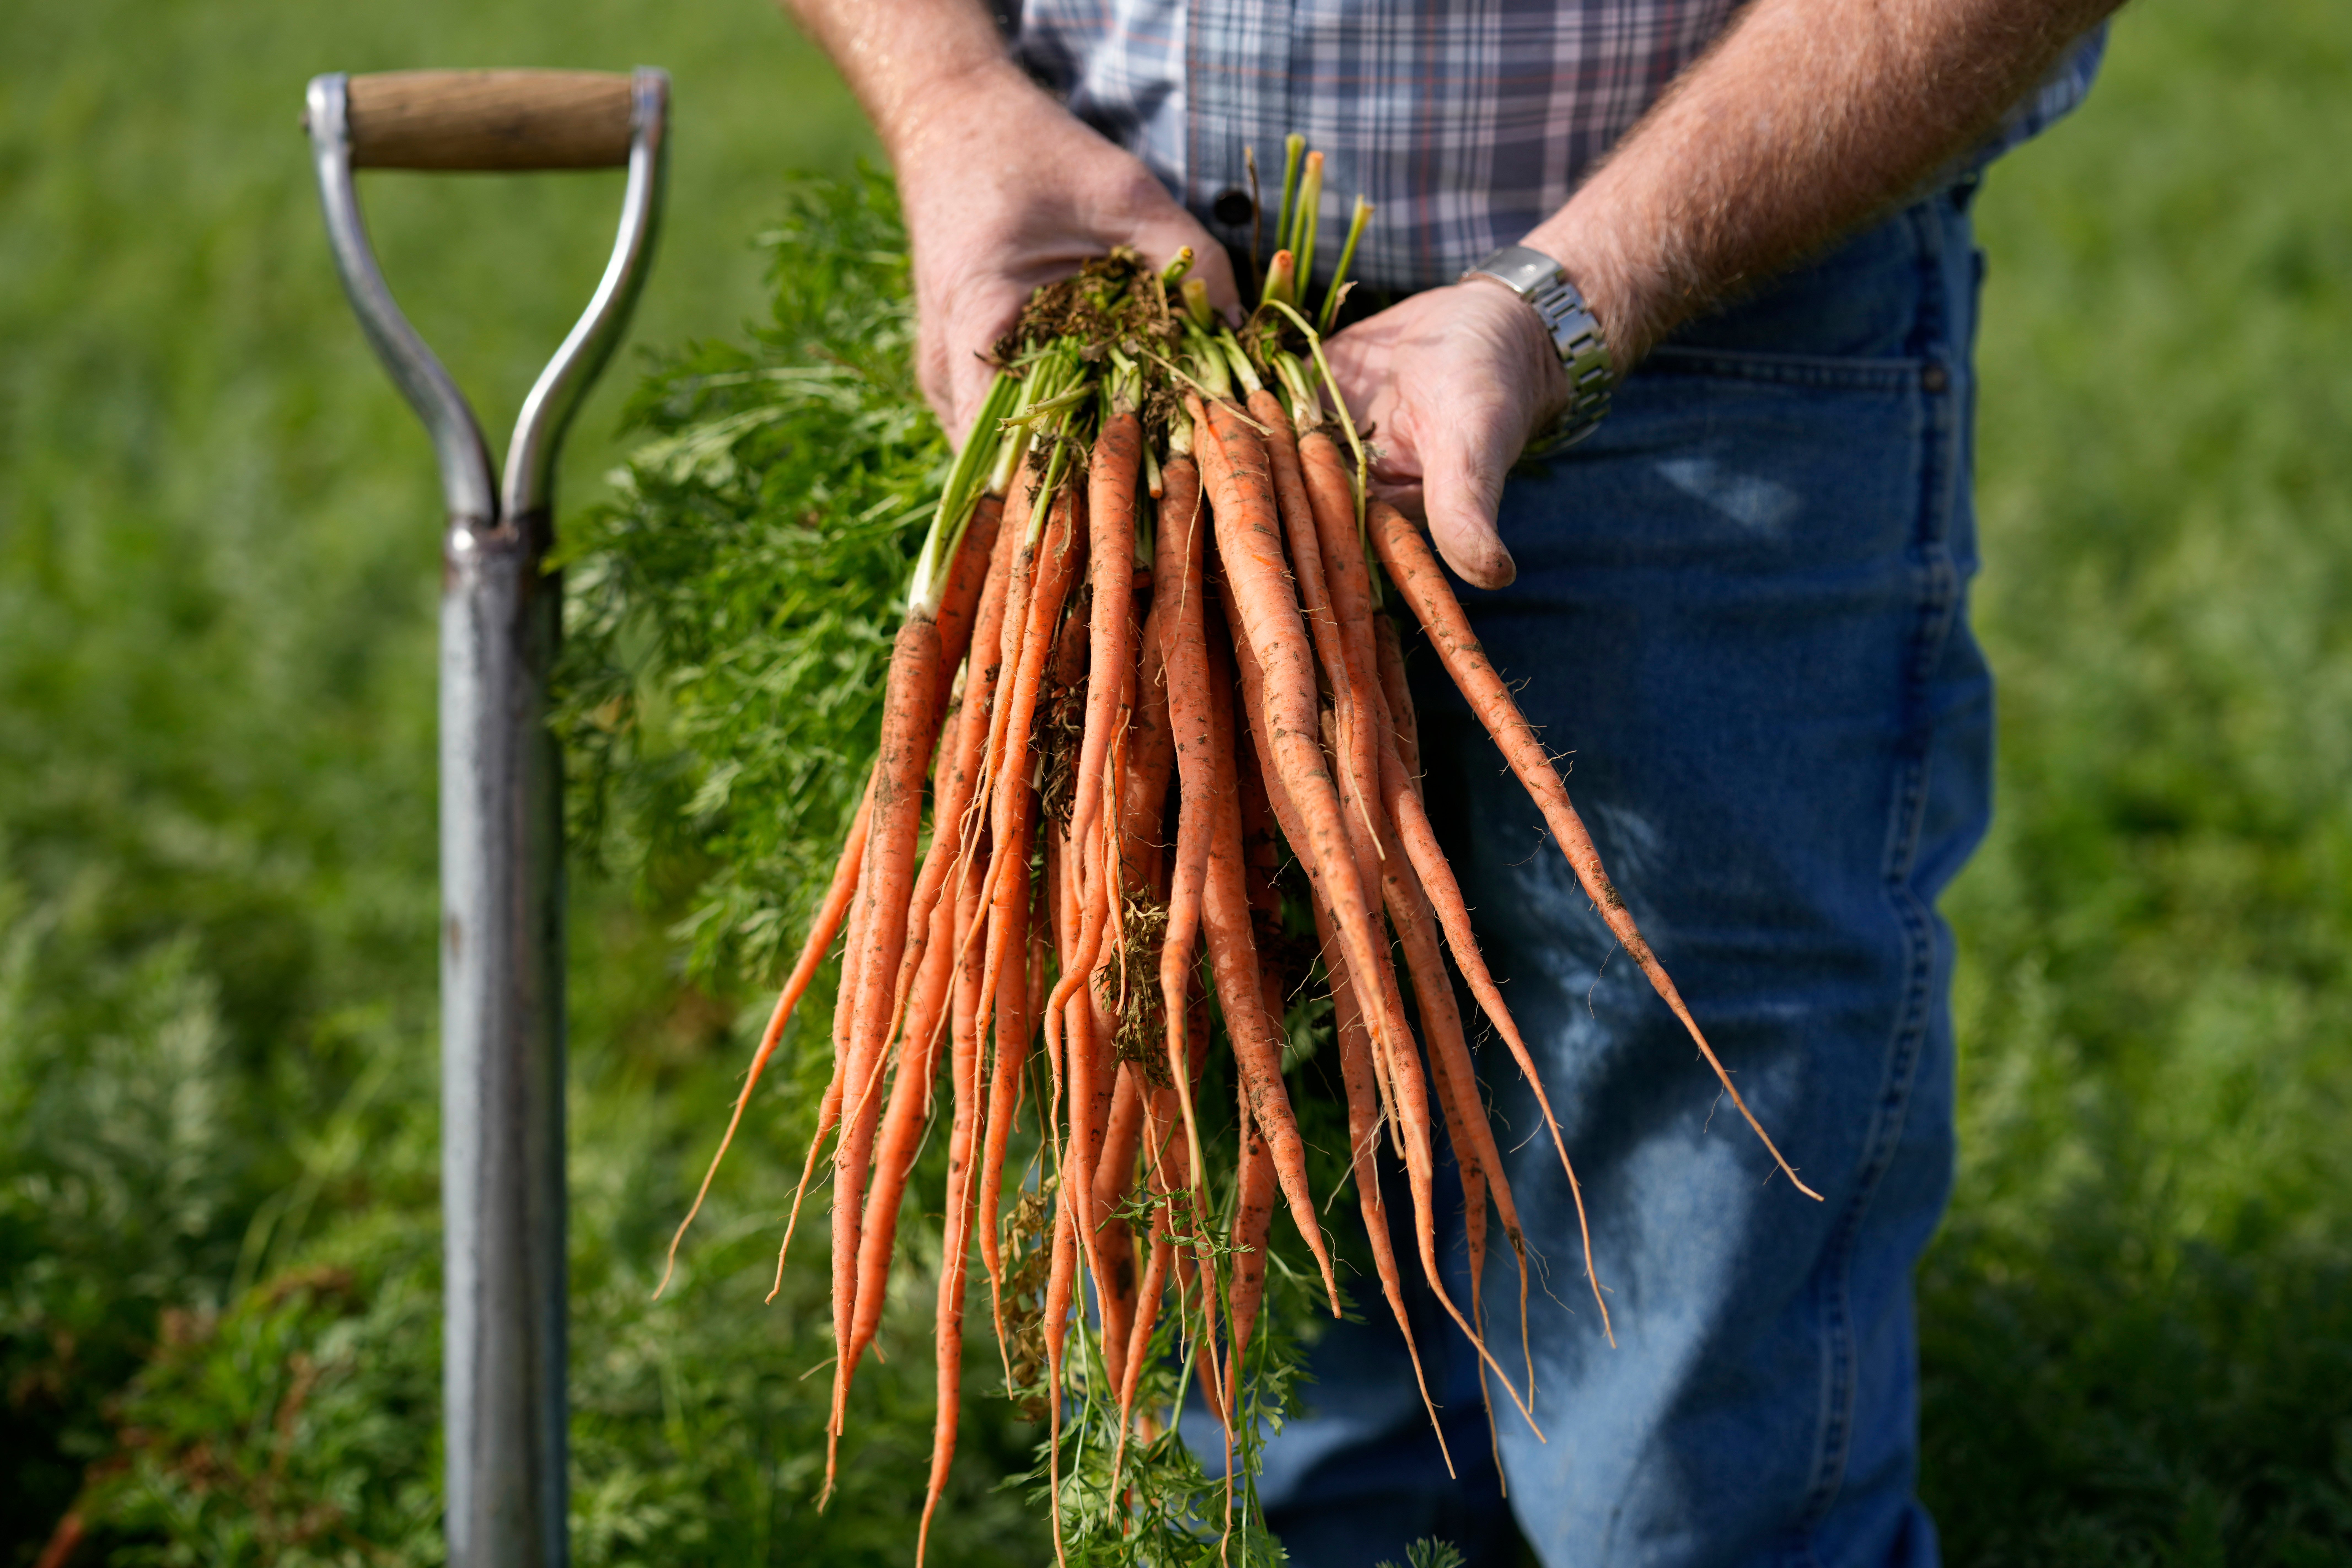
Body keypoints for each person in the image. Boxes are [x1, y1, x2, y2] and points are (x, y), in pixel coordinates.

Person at [778, 2, 2119, 1562]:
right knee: (1234, 1155)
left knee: (1686, 1365)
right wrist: (949, 95)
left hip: (1708, 289)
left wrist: (1563, 303)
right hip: (1107, 323)